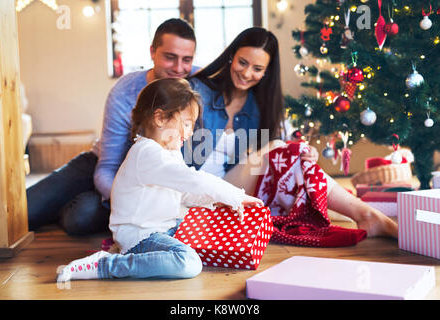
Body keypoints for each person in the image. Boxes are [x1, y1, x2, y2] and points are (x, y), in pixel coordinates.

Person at [186, 27, 398, 238]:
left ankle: (365, 214)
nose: (247, 73)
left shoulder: (258, 105)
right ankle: (366, 214)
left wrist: (305, 154)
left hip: (231, 185)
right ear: (231, 56)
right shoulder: (197, 91)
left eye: (257, 68)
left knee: (286, 151)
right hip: (194, 187)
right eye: (243, 62)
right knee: (280, 149)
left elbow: (278, 155)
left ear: (266, 71)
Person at [57, 78, 263, 281]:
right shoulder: (147, 152)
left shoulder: (170, 152)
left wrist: (213, 201)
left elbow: (184, 193)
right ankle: (107, 265)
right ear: (160, 118)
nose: (190, 133)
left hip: (166, 229)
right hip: (141, 236)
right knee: (189, 262)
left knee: (208, 239)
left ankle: (132, 256)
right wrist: (236, 195)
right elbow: (194, 180)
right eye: (187, 124)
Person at [26, 18, 199, 235]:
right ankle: (62, 199)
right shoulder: (125, 91)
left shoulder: (196, 81)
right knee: (26, 210)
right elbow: (106, 168)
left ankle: (65, 206)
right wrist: (129, 198)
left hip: (138, 179)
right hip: (99, 164)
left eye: (187, 60)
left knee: (80, 217)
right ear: (153, 52)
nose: (179, 68)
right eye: (170, 57)